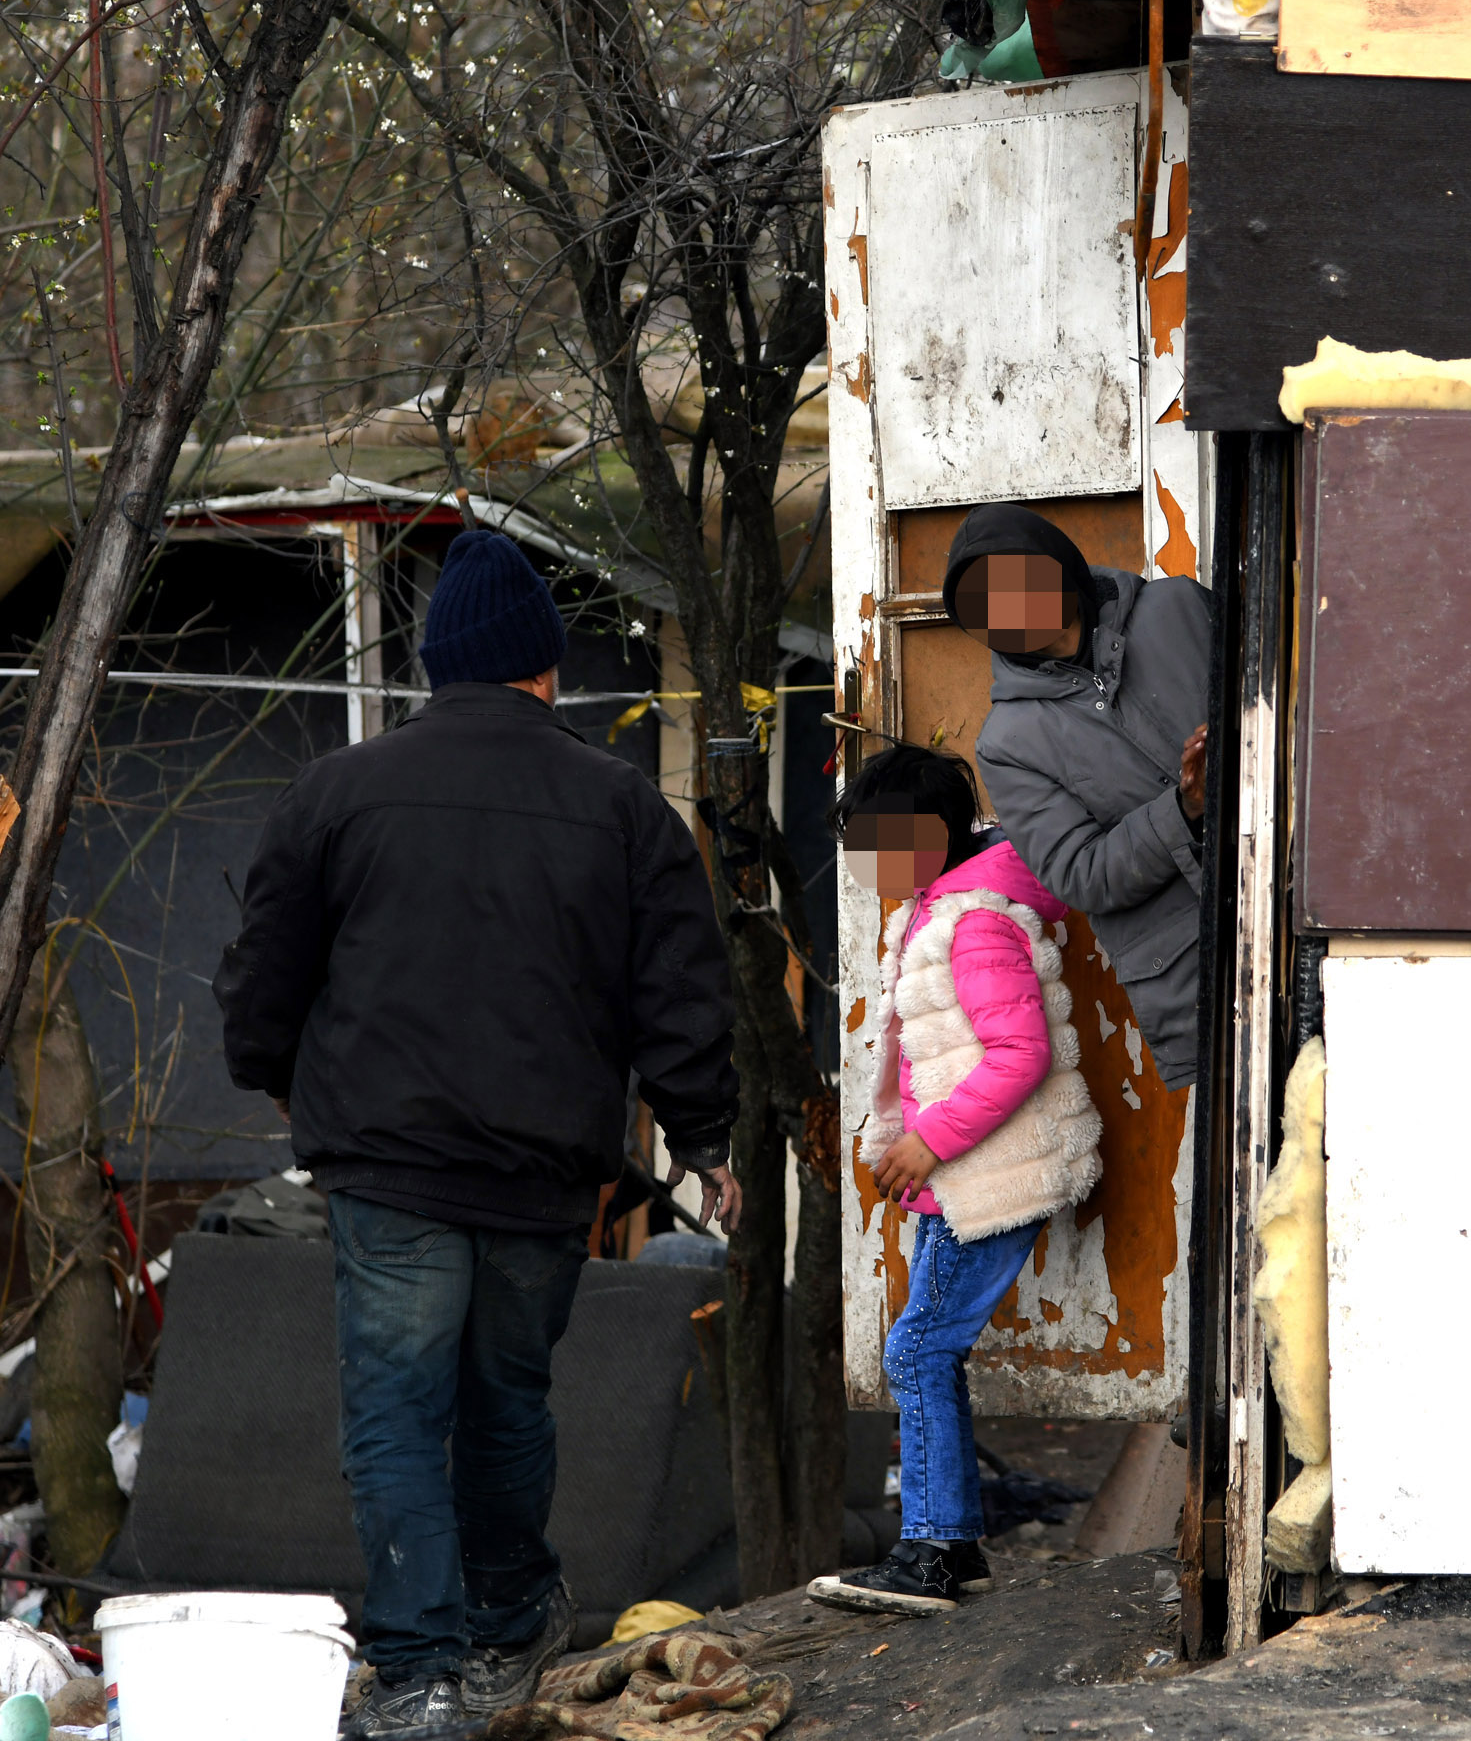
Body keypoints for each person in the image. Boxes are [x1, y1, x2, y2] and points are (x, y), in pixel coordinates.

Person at [214, 528, 742, 1735]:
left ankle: (419, 1675)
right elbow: (680, 986)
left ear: (436, 665)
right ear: (545, 668)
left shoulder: (337, 791)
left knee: (399, 1413)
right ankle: (509, 1624)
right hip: (541, 1171)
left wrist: (276, 1078)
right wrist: (704, 1135)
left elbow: (263, 970)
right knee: (508, 1397)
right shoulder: (621, 805)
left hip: (389, 1165)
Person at [808, 744, 1104, 1615]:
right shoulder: (936, 912)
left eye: (881, 844)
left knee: (918, 1348)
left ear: (932, 834)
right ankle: (952, 1544)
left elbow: (1020, 1054)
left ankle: (933, 1552)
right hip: (966, 1175)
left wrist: (928, 1143)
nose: (868, 867)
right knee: (926, 1347)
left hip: (992, 1174)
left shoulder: (973, 923)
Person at [941, 504, 1213, 1090]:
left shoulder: (1179, 609)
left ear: (1059, 563)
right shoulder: (1008, 742)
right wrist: (1184, 808)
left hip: (1307, 890)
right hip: (1199, 978)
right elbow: (1081, 873)